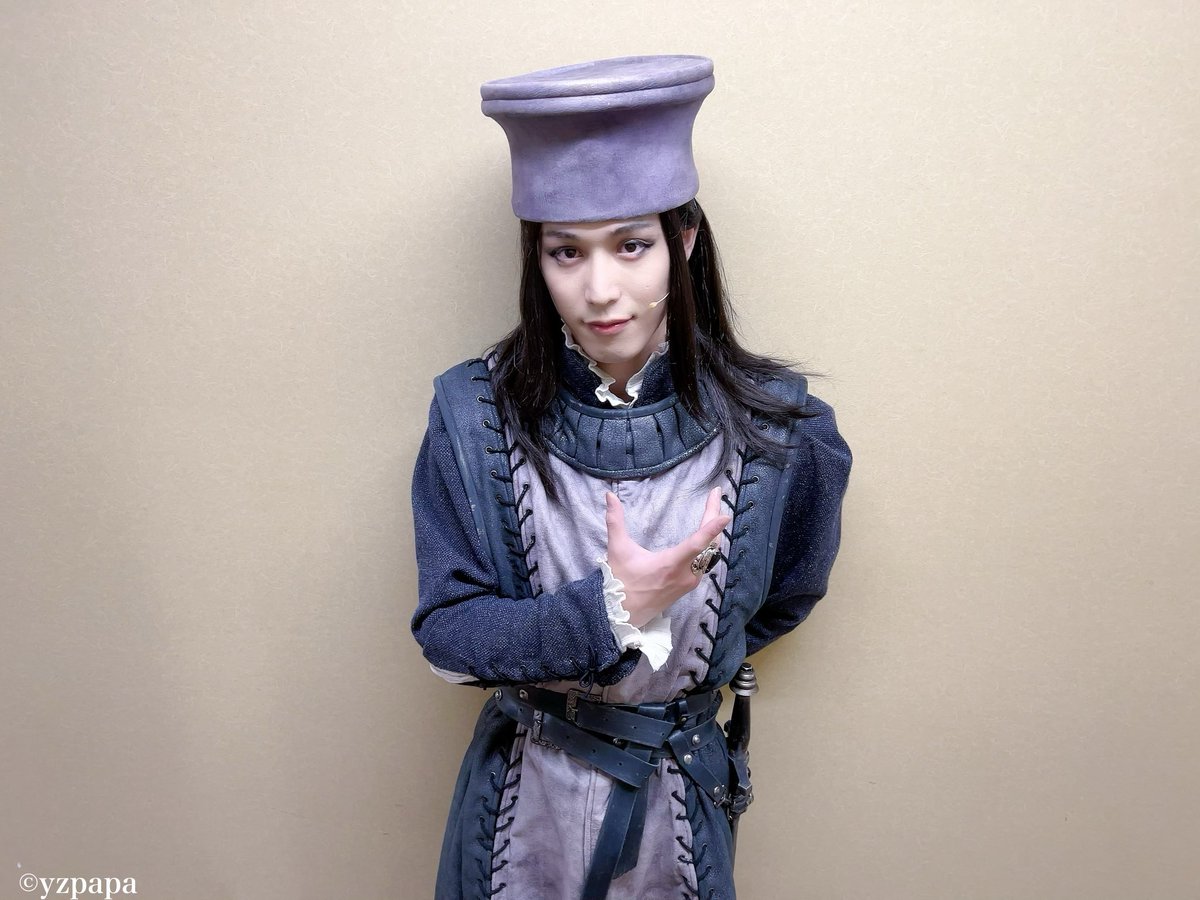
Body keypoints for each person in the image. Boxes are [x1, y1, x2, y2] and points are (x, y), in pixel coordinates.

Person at [411, 55, 852, 900]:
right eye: (565, 252)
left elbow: (783, 597)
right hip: (517, 812)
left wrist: (676, 659)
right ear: (536, 256)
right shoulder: (470, 418)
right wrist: (611, 609)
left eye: (632, 245)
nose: (600, 290)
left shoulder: (786, 432)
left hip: (680, 801)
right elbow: (449, 634)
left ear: (683, 241)